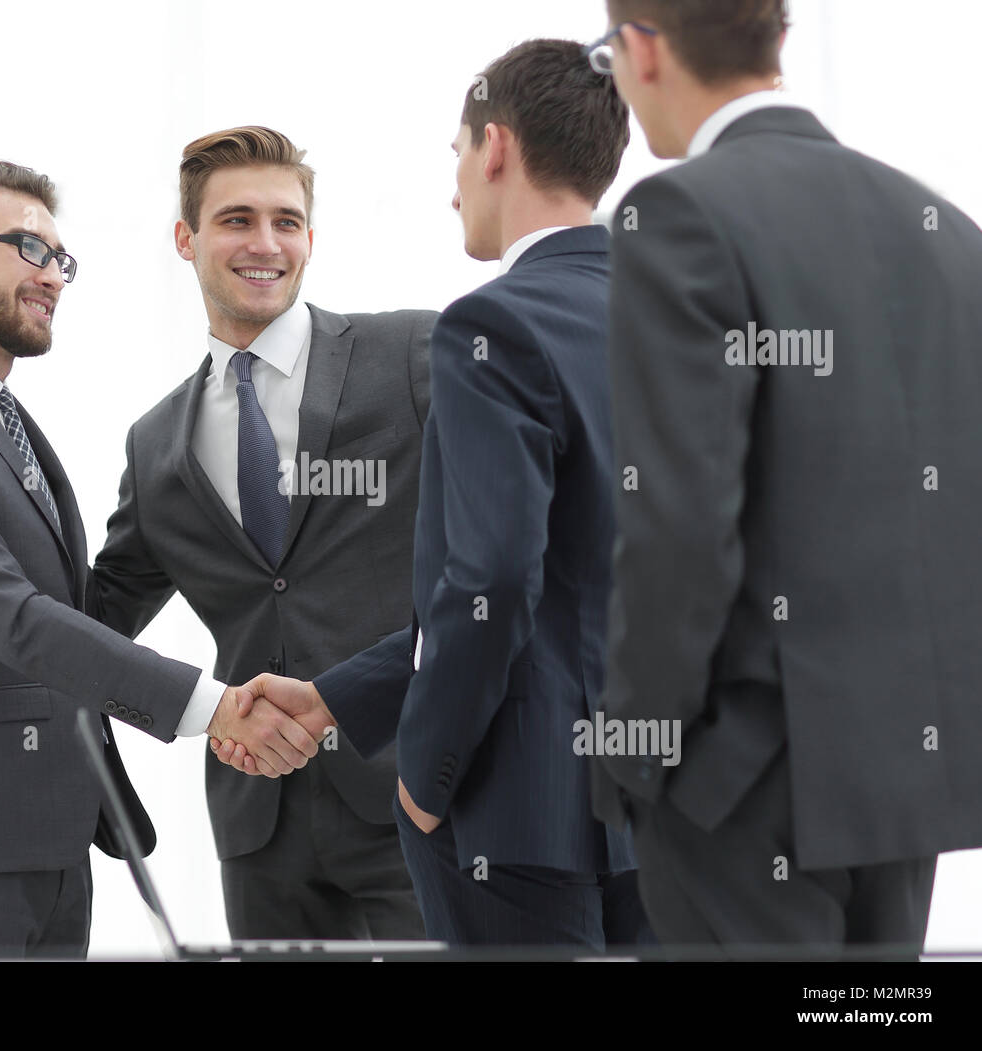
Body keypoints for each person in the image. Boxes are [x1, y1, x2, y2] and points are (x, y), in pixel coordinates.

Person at [216, 41, 652, 948]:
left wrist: (427, 773)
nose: (455, 186)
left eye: (457, 154)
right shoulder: (682, 314)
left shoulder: (492, 323)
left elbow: (494, 578)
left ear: (495, 147)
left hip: (519, 818)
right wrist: (340, 695)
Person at [0, 160, 318, 959]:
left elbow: (78, 607)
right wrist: (215, 706)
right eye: (28, 247)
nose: (54, 275)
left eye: (62, 258)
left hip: (48, 848)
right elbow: (17, 619)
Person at [586, 0, 982, 951]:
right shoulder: (948, 227)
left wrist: (633, 752)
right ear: (779, 43)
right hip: (904, 780)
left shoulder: (675, 210)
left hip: (740, 783)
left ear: (642, 49)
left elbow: (679, 523)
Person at [88, 127, 433, 939]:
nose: (266, 243)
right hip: (260, 826)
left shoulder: (412, 354)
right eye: (237, 219)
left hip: (416, 794)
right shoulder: (156, 442)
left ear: (311, 237)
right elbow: (96, 619)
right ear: (188, 238)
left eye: (286, 220)